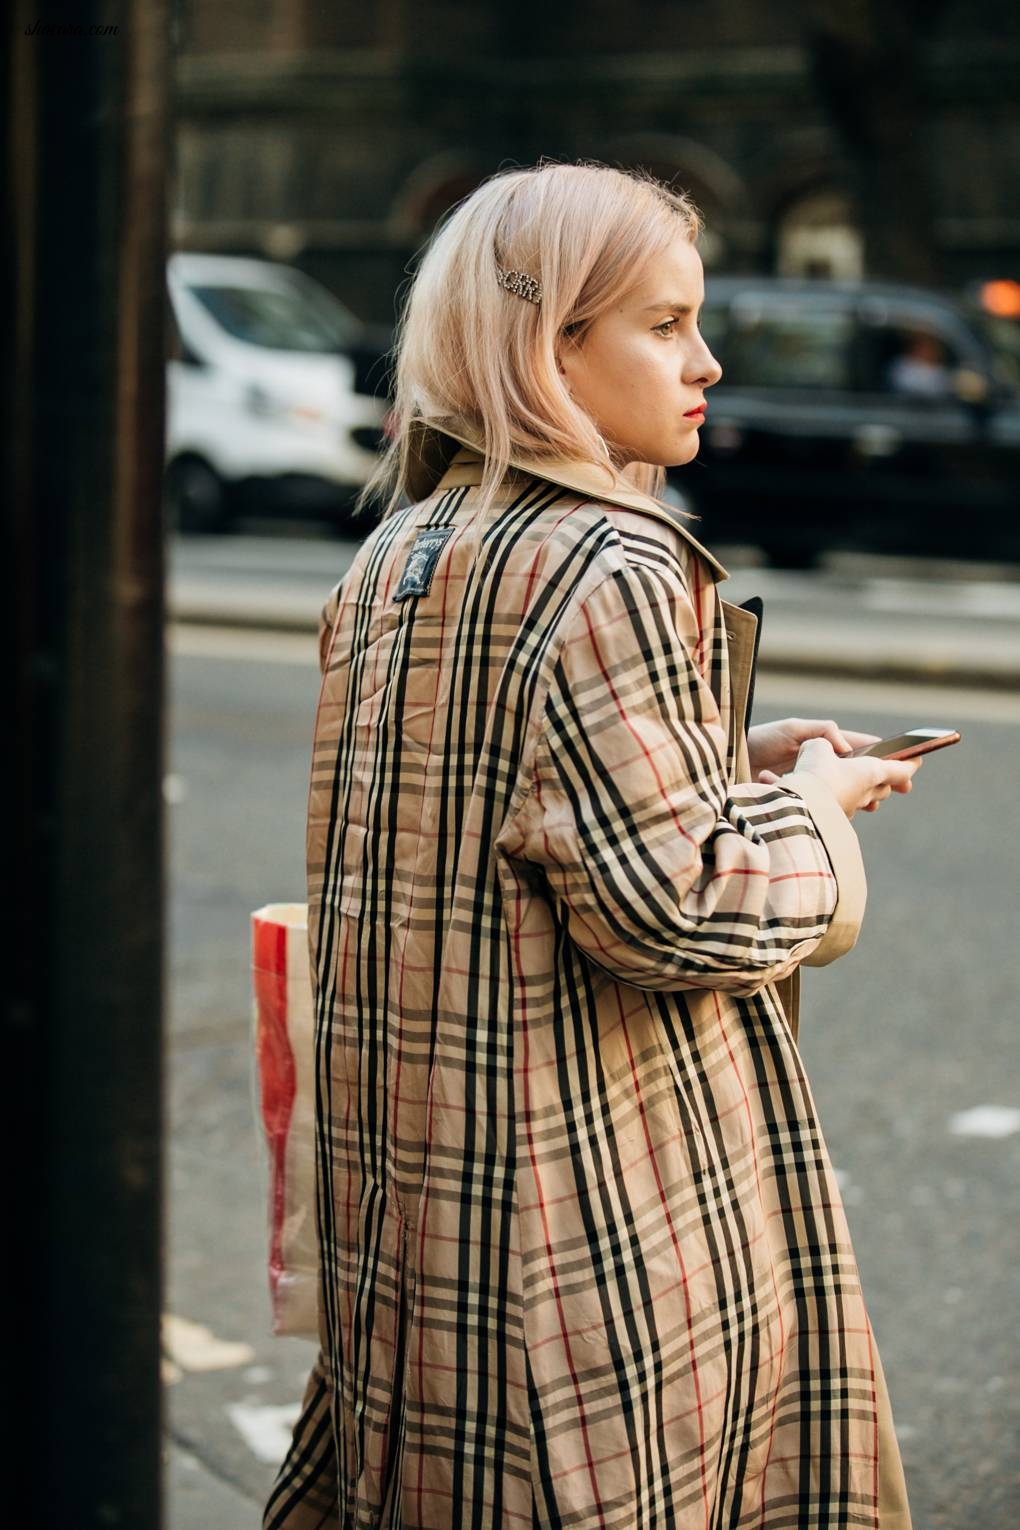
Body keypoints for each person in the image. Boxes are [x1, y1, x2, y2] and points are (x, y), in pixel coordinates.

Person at [264, 161, 918, 1529]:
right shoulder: (602, 564)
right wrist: (819, 810)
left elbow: (495, 790)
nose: (708, 357)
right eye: (666, 324)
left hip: (421, 1211)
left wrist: (726, 755)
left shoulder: (399, 553)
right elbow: (677, 904)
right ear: (549, 340)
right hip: (586, 1226)